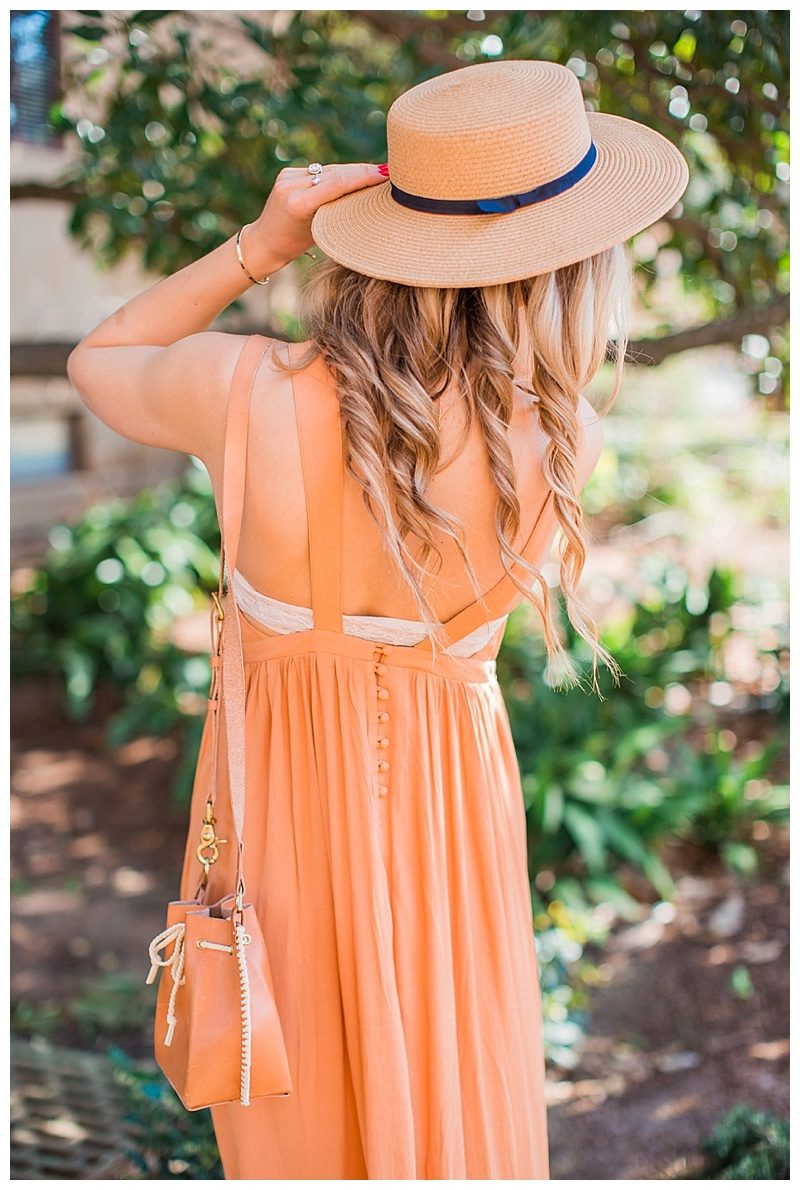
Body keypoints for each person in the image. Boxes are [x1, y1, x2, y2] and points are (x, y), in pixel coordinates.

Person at [67, 59, 688, 1180]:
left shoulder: (247, 390)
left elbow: (96, 361)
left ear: (381, 235)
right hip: (445, 832)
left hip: (277, 833)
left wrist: (261, 247)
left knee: (295, 1123)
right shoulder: (555, 444)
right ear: (570, 264)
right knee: (450, 1102)